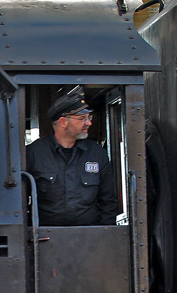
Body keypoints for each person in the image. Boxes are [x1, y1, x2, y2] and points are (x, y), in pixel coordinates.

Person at [25, 86, 118, 226]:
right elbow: (20, 201)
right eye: (82, 118)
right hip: (45, 235)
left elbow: (108, 201)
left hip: (90, 235)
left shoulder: (97, 153)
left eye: (89, 117)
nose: (89, 123)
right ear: (63, 122)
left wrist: (104, 233)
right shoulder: (34, 153)